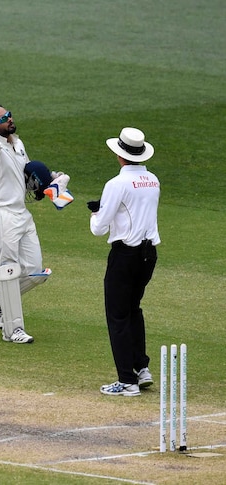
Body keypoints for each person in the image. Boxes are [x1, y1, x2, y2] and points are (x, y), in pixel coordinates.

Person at [90, 127, 160, 397]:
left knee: (118, 315)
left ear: (120, 155)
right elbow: (136, 210)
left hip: (125, 254)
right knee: (133, 309)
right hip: (148, 255)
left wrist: (96, 212)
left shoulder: (116, 184)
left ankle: (126, 381)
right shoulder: (152, 180)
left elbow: (99, 228)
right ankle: (141, 369)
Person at [0, 105, 53, 344]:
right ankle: (12, 330)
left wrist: (51, 181)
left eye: (10, 115)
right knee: (8, 271)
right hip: (0, 215)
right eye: (3, 119)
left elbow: (26, 177)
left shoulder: (18, 144)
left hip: (21, 213)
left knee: (36, 272)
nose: (10, 120)